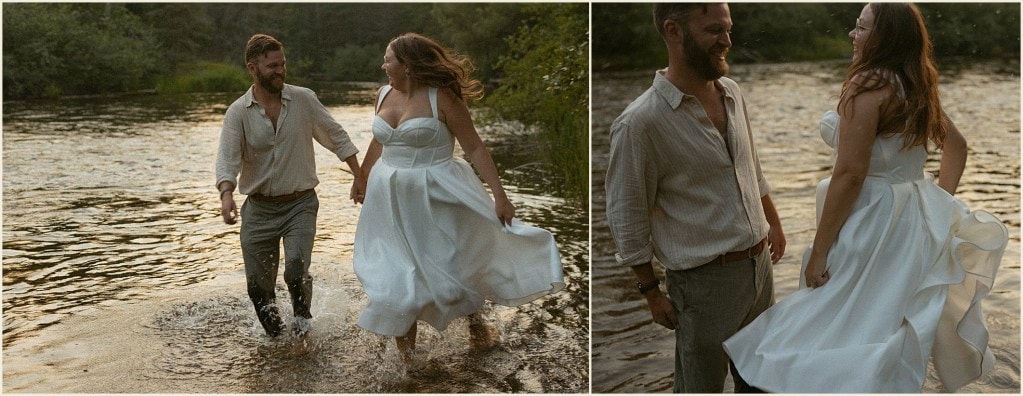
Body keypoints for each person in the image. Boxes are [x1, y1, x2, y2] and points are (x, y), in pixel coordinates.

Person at [723, 3, 1008, 392]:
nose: (852, 35)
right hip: (912, 222)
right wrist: (938, 204)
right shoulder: (917, 84)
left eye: (860, 27)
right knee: (879, 321)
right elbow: (956, 147)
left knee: (826, 317)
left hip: (872, 221)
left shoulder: (870, 85)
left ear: (884, 36)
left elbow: (851, 174)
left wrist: (820, 251)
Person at [351, 32, 566, 366]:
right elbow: (380, 143)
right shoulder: (382, 95)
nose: (383, 64)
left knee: (452, 267)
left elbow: (475, 147)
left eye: (388, 58)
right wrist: (362, 176)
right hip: (389, 199)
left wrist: (500, 196)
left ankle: (476, 323)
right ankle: (408, 361)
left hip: (437, 195)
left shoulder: (443, 99)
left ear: (407, 65)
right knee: (397, 275)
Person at [605, 3, 786, 393]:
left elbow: (750, 168)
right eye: (714, 31)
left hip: (760, 270)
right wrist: (651, 292)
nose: (727, 41)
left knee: (764, 385)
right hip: (702, 285)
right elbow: (626, 217)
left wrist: (772, 221)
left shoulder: (732, 92)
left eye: (728, 29)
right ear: (674, 31)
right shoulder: (639, 124)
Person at [216, 33, 365, 338]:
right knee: (258, 287)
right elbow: (227, 158)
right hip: (258, 209)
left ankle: (302, 330)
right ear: (252, 68)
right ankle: (276, 341)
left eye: (283, 64)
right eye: (272, 66)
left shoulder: (303, 99)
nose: (281, 71)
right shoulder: (237, 112)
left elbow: (336, 135)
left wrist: (359, 175)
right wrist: (226, 194)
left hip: (300, 204)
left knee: (296, 270)